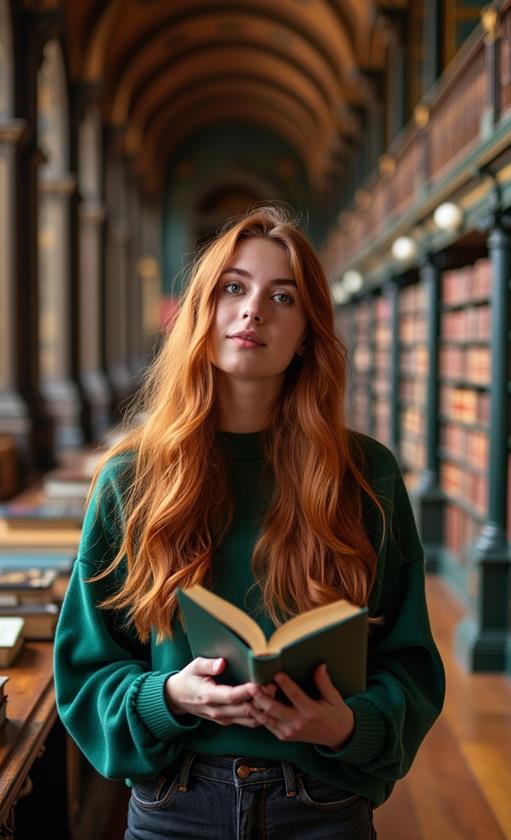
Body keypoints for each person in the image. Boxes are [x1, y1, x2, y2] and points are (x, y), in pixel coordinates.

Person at [54, 205, 445, 840]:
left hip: (323, 803)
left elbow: (411, 662)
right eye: (233, 287)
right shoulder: (129, 479)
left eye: (282, 297)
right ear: (201, 312)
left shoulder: (366, 475)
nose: (253, 310)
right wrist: (171, 697)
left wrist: (345, 725)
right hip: (175, 804)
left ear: (308, 332)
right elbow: (86, 670)